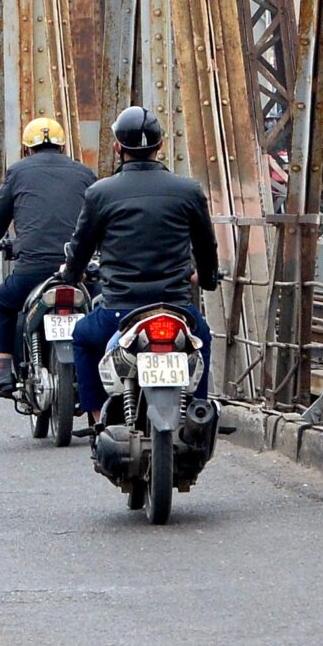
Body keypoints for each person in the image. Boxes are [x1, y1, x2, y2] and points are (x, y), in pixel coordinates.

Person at [56, 106, 220, 425]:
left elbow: (80, 247)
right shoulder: (188, 191)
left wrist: (71, 276)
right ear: (161, 145)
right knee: (202, 339)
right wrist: (208, 279)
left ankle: (97, 418)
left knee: (83, 337)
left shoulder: (101, 193)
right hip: (177, 308)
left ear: (117, 147)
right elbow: (205, 246)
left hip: (119, 311)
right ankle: (197, 412)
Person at [0, 117, 95, 398]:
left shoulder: (17, 172)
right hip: (77, 269)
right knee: (98, 307)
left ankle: (4, 372)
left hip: (33, 270)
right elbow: (96, 218)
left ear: (27, 149)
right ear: (62, 146)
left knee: (2, 301)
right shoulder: (85, 174)